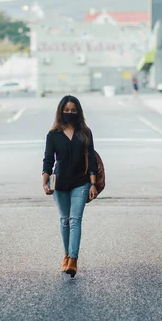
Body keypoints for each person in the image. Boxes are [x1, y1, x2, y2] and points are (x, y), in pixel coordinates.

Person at [42, 95, 98, 278]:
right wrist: (45, 180)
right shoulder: (53, 135)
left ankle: (73, 259)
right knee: (64, 220)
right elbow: (49, 160)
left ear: (78, 112)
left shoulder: (85, 133)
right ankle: (66, 255)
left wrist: (93, 184)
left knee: (75, 220)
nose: (70, 113)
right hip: (60, 183)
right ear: (61, 112)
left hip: (81, 182)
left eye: (73, 111)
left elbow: (91, 159)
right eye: (66, 110)